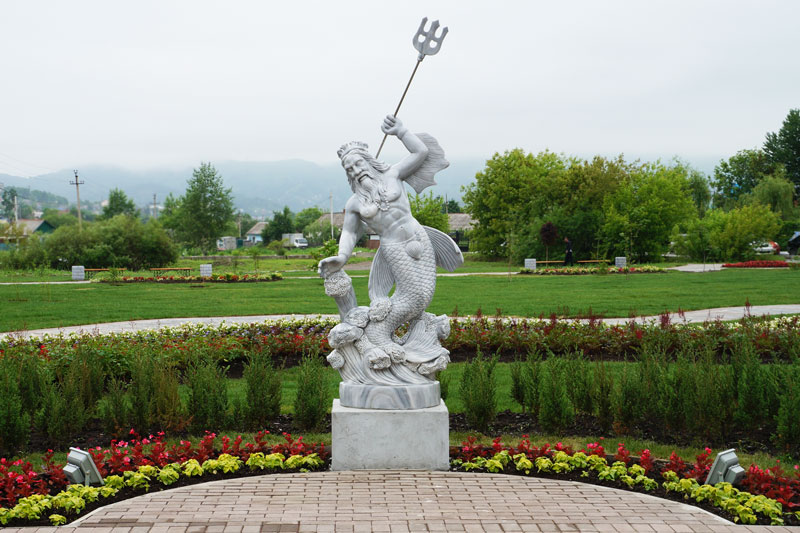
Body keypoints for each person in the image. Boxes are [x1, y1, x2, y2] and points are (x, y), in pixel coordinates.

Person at [318, 114, 462, 371]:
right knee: (415, 297)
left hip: (420, 237)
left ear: (368, 160)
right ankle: (378, 335)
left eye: (357, 163)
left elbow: (420, 152)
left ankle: (411, 338)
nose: (356, 170)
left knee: (424, 294)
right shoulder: (355, 203)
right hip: (394, 248)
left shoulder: (393, 175)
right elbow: (349, 232)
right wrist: (342, 257)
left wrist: (401, 131)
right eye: (349, 169)